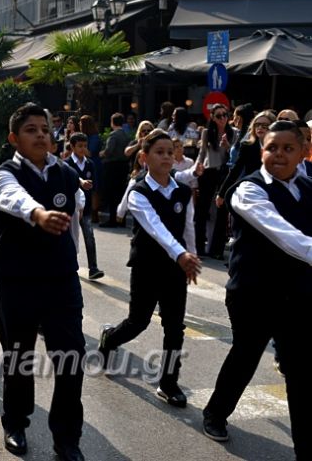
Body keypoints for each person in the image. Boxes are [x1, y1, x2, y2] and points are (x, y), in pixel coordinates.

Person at [202, 121, 311, 460]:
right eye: (271, 147)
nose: (279, 154)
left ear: (303, 152)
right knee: (246, 356)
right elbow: (284, 235)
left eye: (287, 148)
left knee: (299, 367)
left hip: (297, 294)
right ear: (261, 150)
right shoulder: (247, 190)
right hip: (253, 293)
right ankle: (215, 413)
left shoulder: (308, 188)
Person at [0, 103, 86, 461]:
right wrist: (38, 214)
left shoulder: (66, 173)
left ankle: (67, 439)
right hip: (16, 280)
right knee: (19, 357)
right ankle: (15, 422)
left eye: (45, 129)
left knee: (72, 358)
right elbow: (11, 197)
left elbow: (76, 216)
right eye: (31, 129)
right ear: (15, 138)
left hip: (61, 281)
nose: (41, 135)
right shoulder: (3, 173)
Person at [98, 129, 201, 408]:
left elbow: (187, 226)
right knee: (138, 322)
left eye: (170, 152)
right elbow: (156, 228)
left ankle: (168, 383)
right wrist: (181, 254)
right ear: (144, 158)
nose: (166, 157)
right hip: (147, 266)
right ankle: (110, 339)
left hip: (176, 269)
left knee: (174, 327)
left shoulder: (182, 190)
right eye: (159, 152)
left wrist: (190, 257)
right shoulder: (138, 191)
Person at [195, 104, 237, 258]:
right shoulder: (207, 132)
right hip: (209, 171)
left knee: (221, 211)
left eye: (225, 115)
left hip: (225, 173)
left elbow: (235, 155)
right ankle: (198, 247)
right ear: (212, 117)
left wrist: (228, 146)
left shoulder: (234, 133)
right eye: (218, 116)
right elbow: (202, 153)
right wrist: (196, 168)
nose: (222, 118)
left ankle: (216, 250)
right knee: (202, 210)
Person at [216, 111, 275, 206]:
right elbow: (236, 170)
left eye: (264, 125)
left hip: (272, 190)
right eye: (257, 124)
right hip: (252, 189)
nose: (260, 128)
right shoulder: (247, 146)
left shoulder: (278, 148)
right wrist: (221, 194)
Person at [66, 132, 104, 280]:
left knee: (89, 236)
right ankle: (71, 264)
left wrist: (94, 206)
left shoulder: (90, 164)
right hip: (72, 209)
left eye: (85, 146)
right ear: (72, 146)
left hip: (86, 209)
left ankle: (93, 267)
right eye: (80, 146)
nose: (83, 149)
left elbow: (94, 187)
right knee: (71, 238)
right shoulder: (67, 164)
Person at [100, 113, 130, 227]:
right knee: (121, 193)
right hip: (123, 165)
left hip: (112, 166)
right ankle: (121, 219)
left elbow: (109, 151)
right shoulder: (126, 135)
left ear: (112, 122)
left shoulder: (113, 135)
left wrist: (101, 153)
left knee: (112, 193)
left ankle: (112, 219)